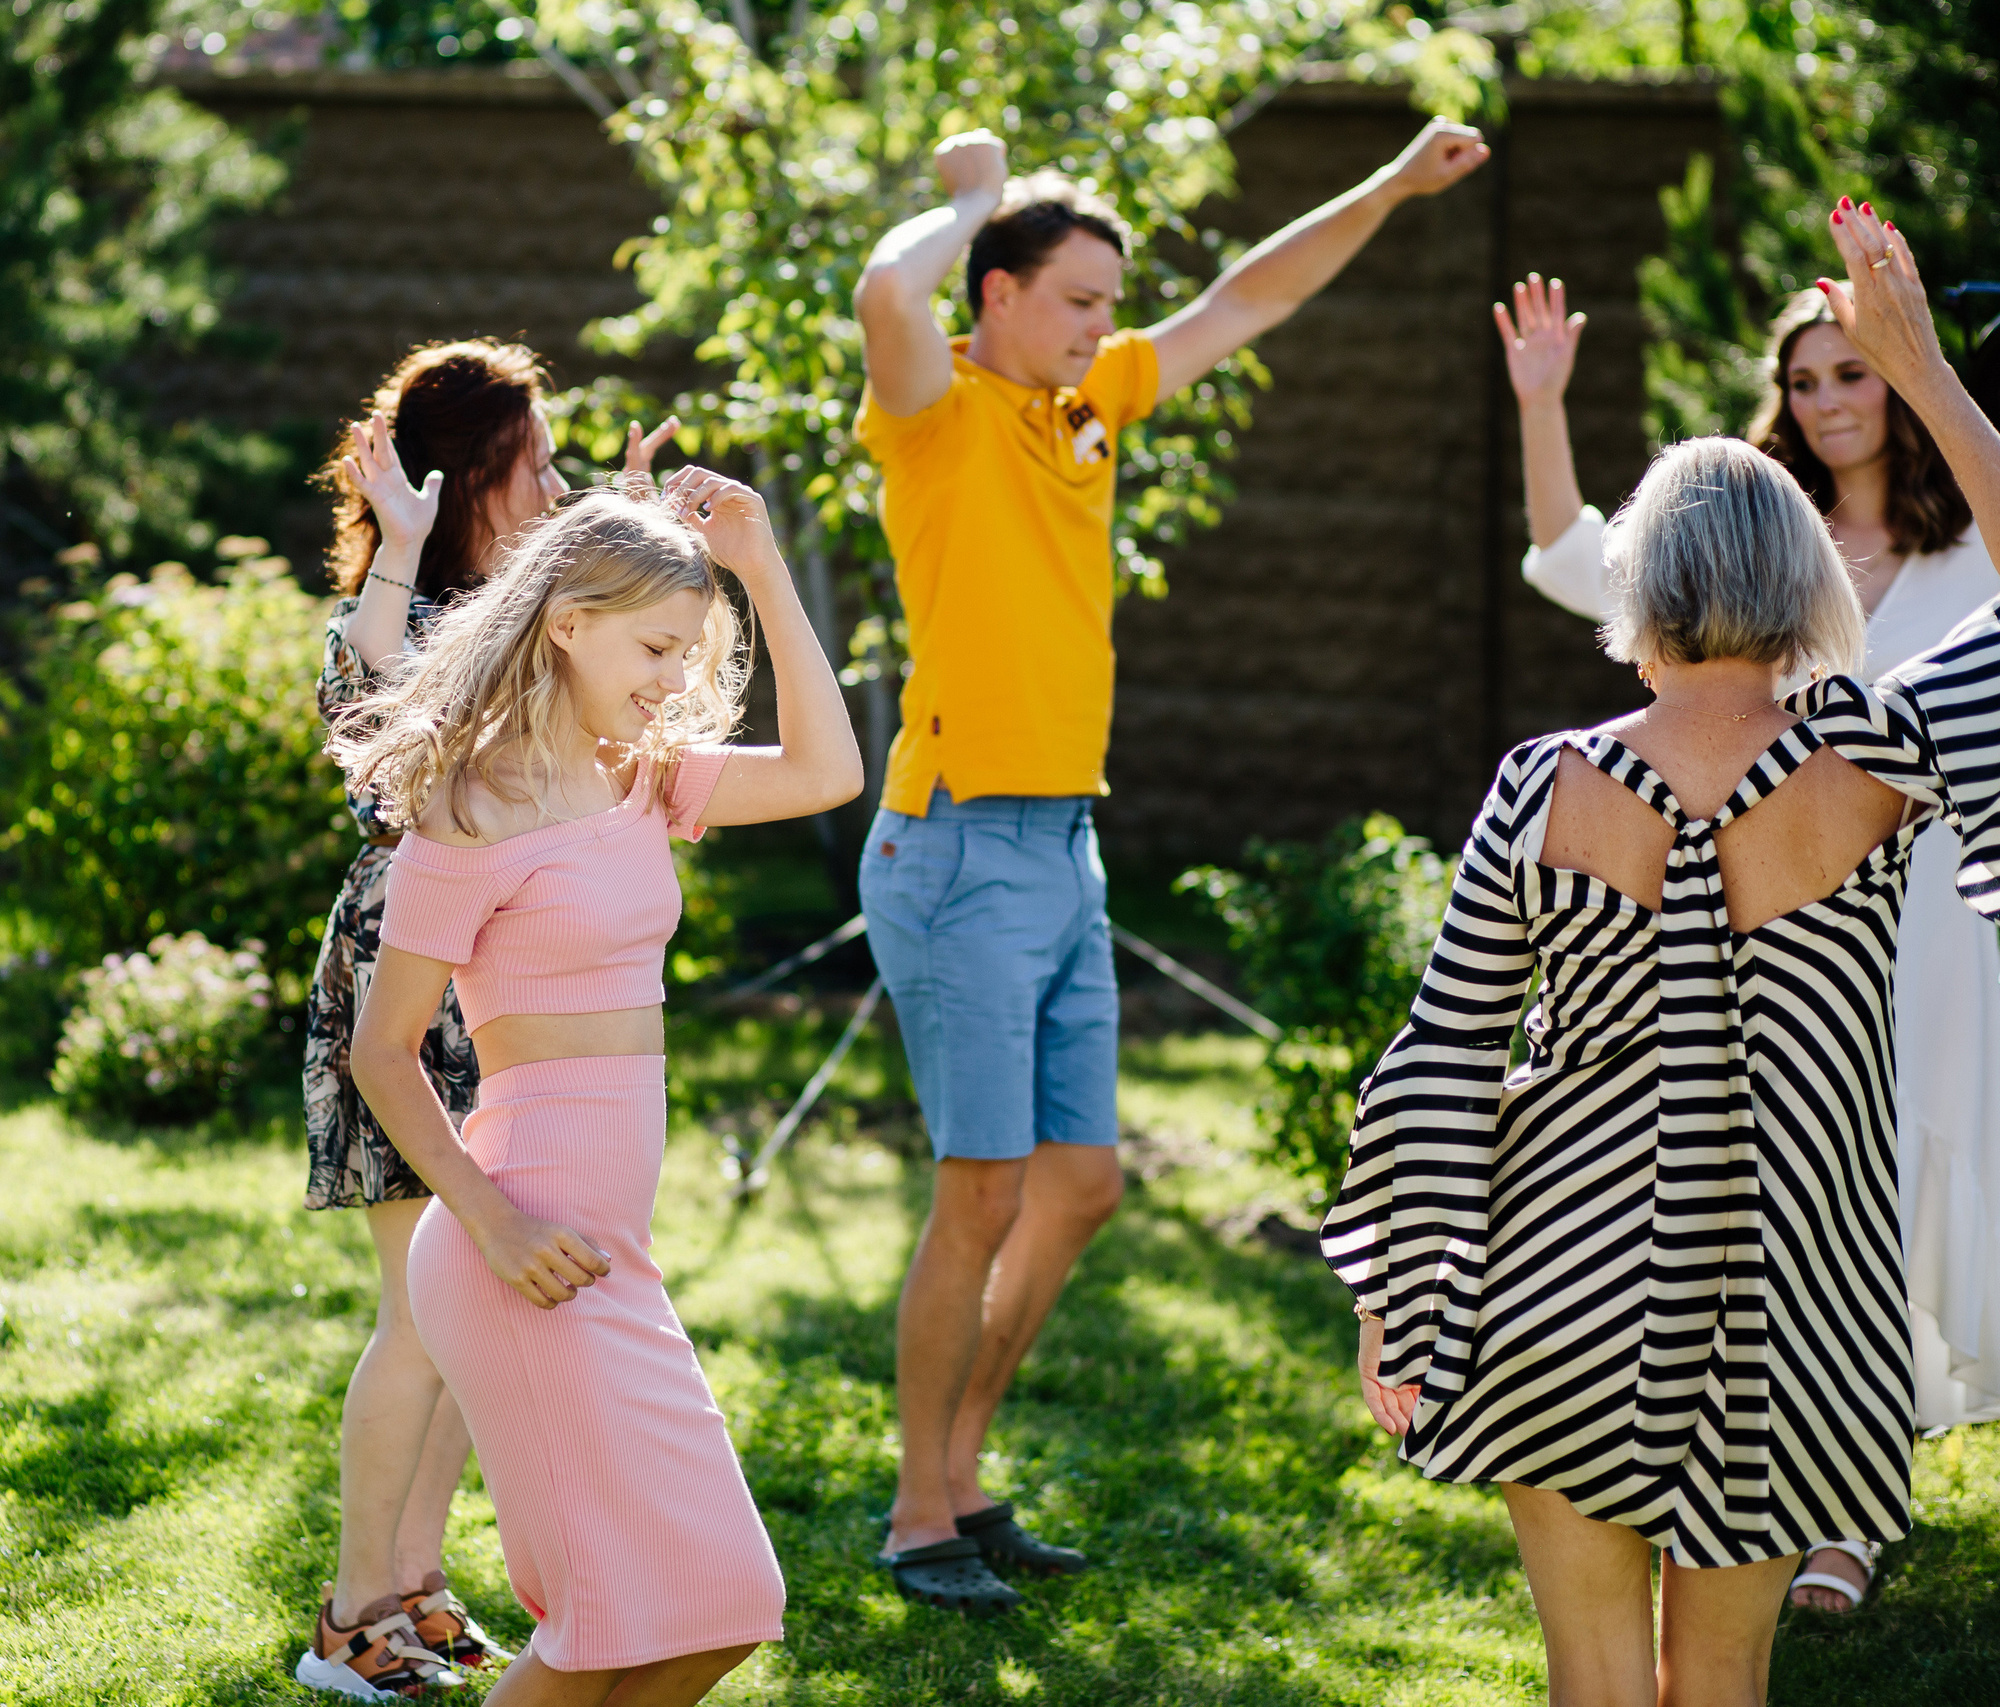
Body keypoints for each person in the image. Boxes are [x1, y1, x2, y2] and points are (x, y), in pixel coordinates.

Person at [1326, 199, 2000, 1707]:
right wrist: (1925, 375)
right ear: (1804, 581)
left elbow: (1444, 1056)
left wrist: (1398, 1292)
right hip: (1798, 1299)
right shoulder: (1870, 756)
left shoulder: (1543, 785)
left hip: (1561, 1273)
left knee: (1592, 1680)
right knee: (1723, 1685)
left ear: (1640, 582)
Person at [848, 114, 1493, 1612]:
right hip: (955, 845)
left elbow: (1250, 296)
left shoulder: (1090, 406)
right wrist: (976, 196)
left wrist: (1391, 184)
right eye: (1076, 299)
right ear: (997, 291)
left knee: (1079, 1186)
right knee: (981, 1195)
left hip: (1065, 843)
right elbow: (885, 292)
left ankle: (962, 1470)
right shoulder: (933, 409)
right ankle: (916, 1511)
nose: (1101, 326)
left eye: (1108, 304)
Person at [1494, 256, 2000, 1614]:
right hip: (1792, 897)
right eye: (1805, 377)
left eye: (1854, 371)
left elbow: (1449, 1048)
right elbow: (1573, 560)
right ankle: (1786, 1458)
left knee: (1860, 1179)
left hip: (1911, 914)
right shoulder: (1772, 557)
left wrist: (1411, 1278)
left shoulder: (1950, 554)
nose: (1828, 398)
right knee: (1776, 1176)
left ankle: (1838, 1484)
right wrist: (1539, 405)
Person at [337, 472, 862, 1707]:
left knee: (722, 1607)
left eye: (689, 650)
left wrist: (759, 568)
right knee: (607, 1629)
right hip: (524, 1255)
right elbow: (381, 1050)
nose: (676, 678)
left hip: (610, 1257)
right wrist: (493, 1222)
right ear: (567, 622)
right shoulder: (472, 806)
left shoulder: (645, 775)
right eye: (655, 648)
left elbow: (829, 770)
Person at [299, 338, 675, 1699]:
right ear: (469, 475)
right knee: (419, 1310)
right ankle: (353, 1613)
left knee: (474, 1317)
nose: (560, 485)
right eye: (540, 465)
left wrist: (633, 543)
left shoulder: (535, 617)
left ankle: (417, 1584)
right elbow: (373, 731)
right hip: (416, 976)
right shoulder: (401, 610)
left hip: (515, 978)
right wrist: (399, 547)